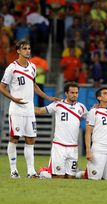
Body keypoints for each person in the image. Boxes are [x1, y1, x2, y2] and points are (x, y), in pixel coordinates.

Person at [0, 39, 57, 178]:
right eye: (24, 48)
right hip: (17, 109)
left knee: (31, 140)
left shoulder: (32, 67)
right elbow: (2, 87)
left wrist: (48, 97)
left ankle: (31, 171)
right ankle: (13, 170)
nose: (28, 51)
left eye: (29, 48)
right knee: (14, 138)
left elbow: (34, 86)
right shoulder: (11, 68)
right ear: (18, 51)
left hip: (29, 110)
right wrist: (13, 98)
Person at [35, 82, 87, 179]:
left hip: (73, 147)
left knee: (70, 178)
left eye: (76, 93)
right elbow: (39, 111)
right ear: (66, 93)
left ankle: (48, 172)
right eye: (72, 93)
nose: (74, 95)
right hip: (59, 146)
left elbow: (90, 118)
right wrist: (25, 107)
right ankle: (43, 171)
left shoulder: (81, 107)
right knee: (59, 177)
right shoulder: (58, 104)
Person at [85, 87, 107, 180]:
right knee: (94, 178)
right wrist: (88, 150)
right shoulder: (93, 111)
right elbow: (88, 133)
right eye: (105, 93)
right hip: (98, 149)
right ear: (99, 98)